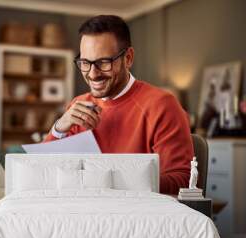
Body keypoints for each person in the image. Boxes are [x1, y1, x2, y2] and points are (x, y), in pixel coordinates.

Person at [43, 15, 194, 195]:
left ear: (128, 58)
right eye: (85, 63)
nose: (92, 74)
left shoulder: (162, 105)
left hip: (138, 216)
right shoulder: (78, 105)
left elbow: (183, 181)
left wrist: (110, 180)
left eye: (103, 62)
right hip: (85, 212)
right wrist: (59, 127)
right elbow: (44, 171)